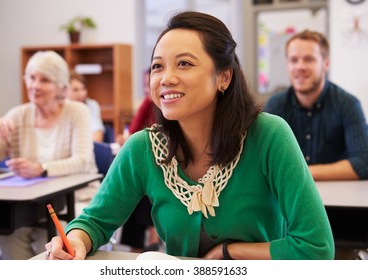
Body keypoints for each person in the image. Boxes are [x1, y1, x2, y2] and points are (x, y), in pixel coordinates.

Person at [45, 11, 334, 260]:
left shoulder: (269, 135)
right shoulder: (142, 149)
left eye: (184, 63)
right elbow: (94, 222)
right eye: (158, 66)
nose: (166, 78)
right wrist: (75, 241)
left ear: (224, 77)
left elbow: (316, 247)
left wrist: (229, 252)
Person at [0, 51, 97, 259]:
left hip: (73, 199)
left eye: (45, 80)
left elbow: (83, 161)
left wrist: (41, 169)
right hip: (28, 204)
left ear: (60, 86)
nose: (35, 85)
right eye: (31, 78)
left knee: (52, 236)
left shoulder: (77, 112)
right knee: (9, 232)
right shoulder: (17, 115)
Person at [263, 30, 368, 181]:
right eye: (294, 60)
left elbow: (363, 163)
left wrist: (302, 172)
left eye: (309, 59)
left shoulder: (348, 105)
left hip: (341, 199)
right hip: (289, 198)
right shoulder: (276, 106)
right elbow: (262, 161)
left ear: (326, 64)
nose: (300, 66)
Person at [115, 68, 160, 253]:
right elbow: (132, 131)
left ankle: (141, 242)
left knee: (142, 183)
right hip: (151, 164)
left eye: (149, 85)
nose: (147, 90)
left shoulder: (171, 107)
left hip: (165, 166)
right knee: (137, 186)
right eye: (145, 86)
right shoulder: (148, 104)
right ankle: (149, 234)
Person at [68, 71, 105, 142]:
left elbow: (97, 135)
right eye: (75, 90)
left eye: (83, 89)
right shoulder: (61, 108)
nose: (82, 94)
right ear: (65, 91)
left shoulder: (91, 105)